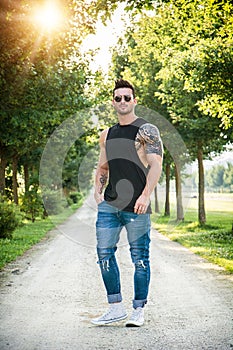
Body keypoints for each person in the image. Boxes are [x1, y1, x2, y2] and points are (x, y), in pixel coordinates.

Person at [91, 79, 163, 327]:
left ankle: (138, 311)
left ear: (134, 100)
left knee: (140, 257)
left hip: (137, 206)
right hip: (110, 205)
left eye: (127, 97)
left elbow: (156, 165)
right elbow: (103, 166)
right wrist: (97, 190)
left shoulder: (147, 130)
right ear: (113, 102)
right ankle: (115, 307)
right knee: (104, 254)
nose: (122, 101)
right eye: (118, 98)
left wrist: (145, 195)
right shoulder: (107, 134)